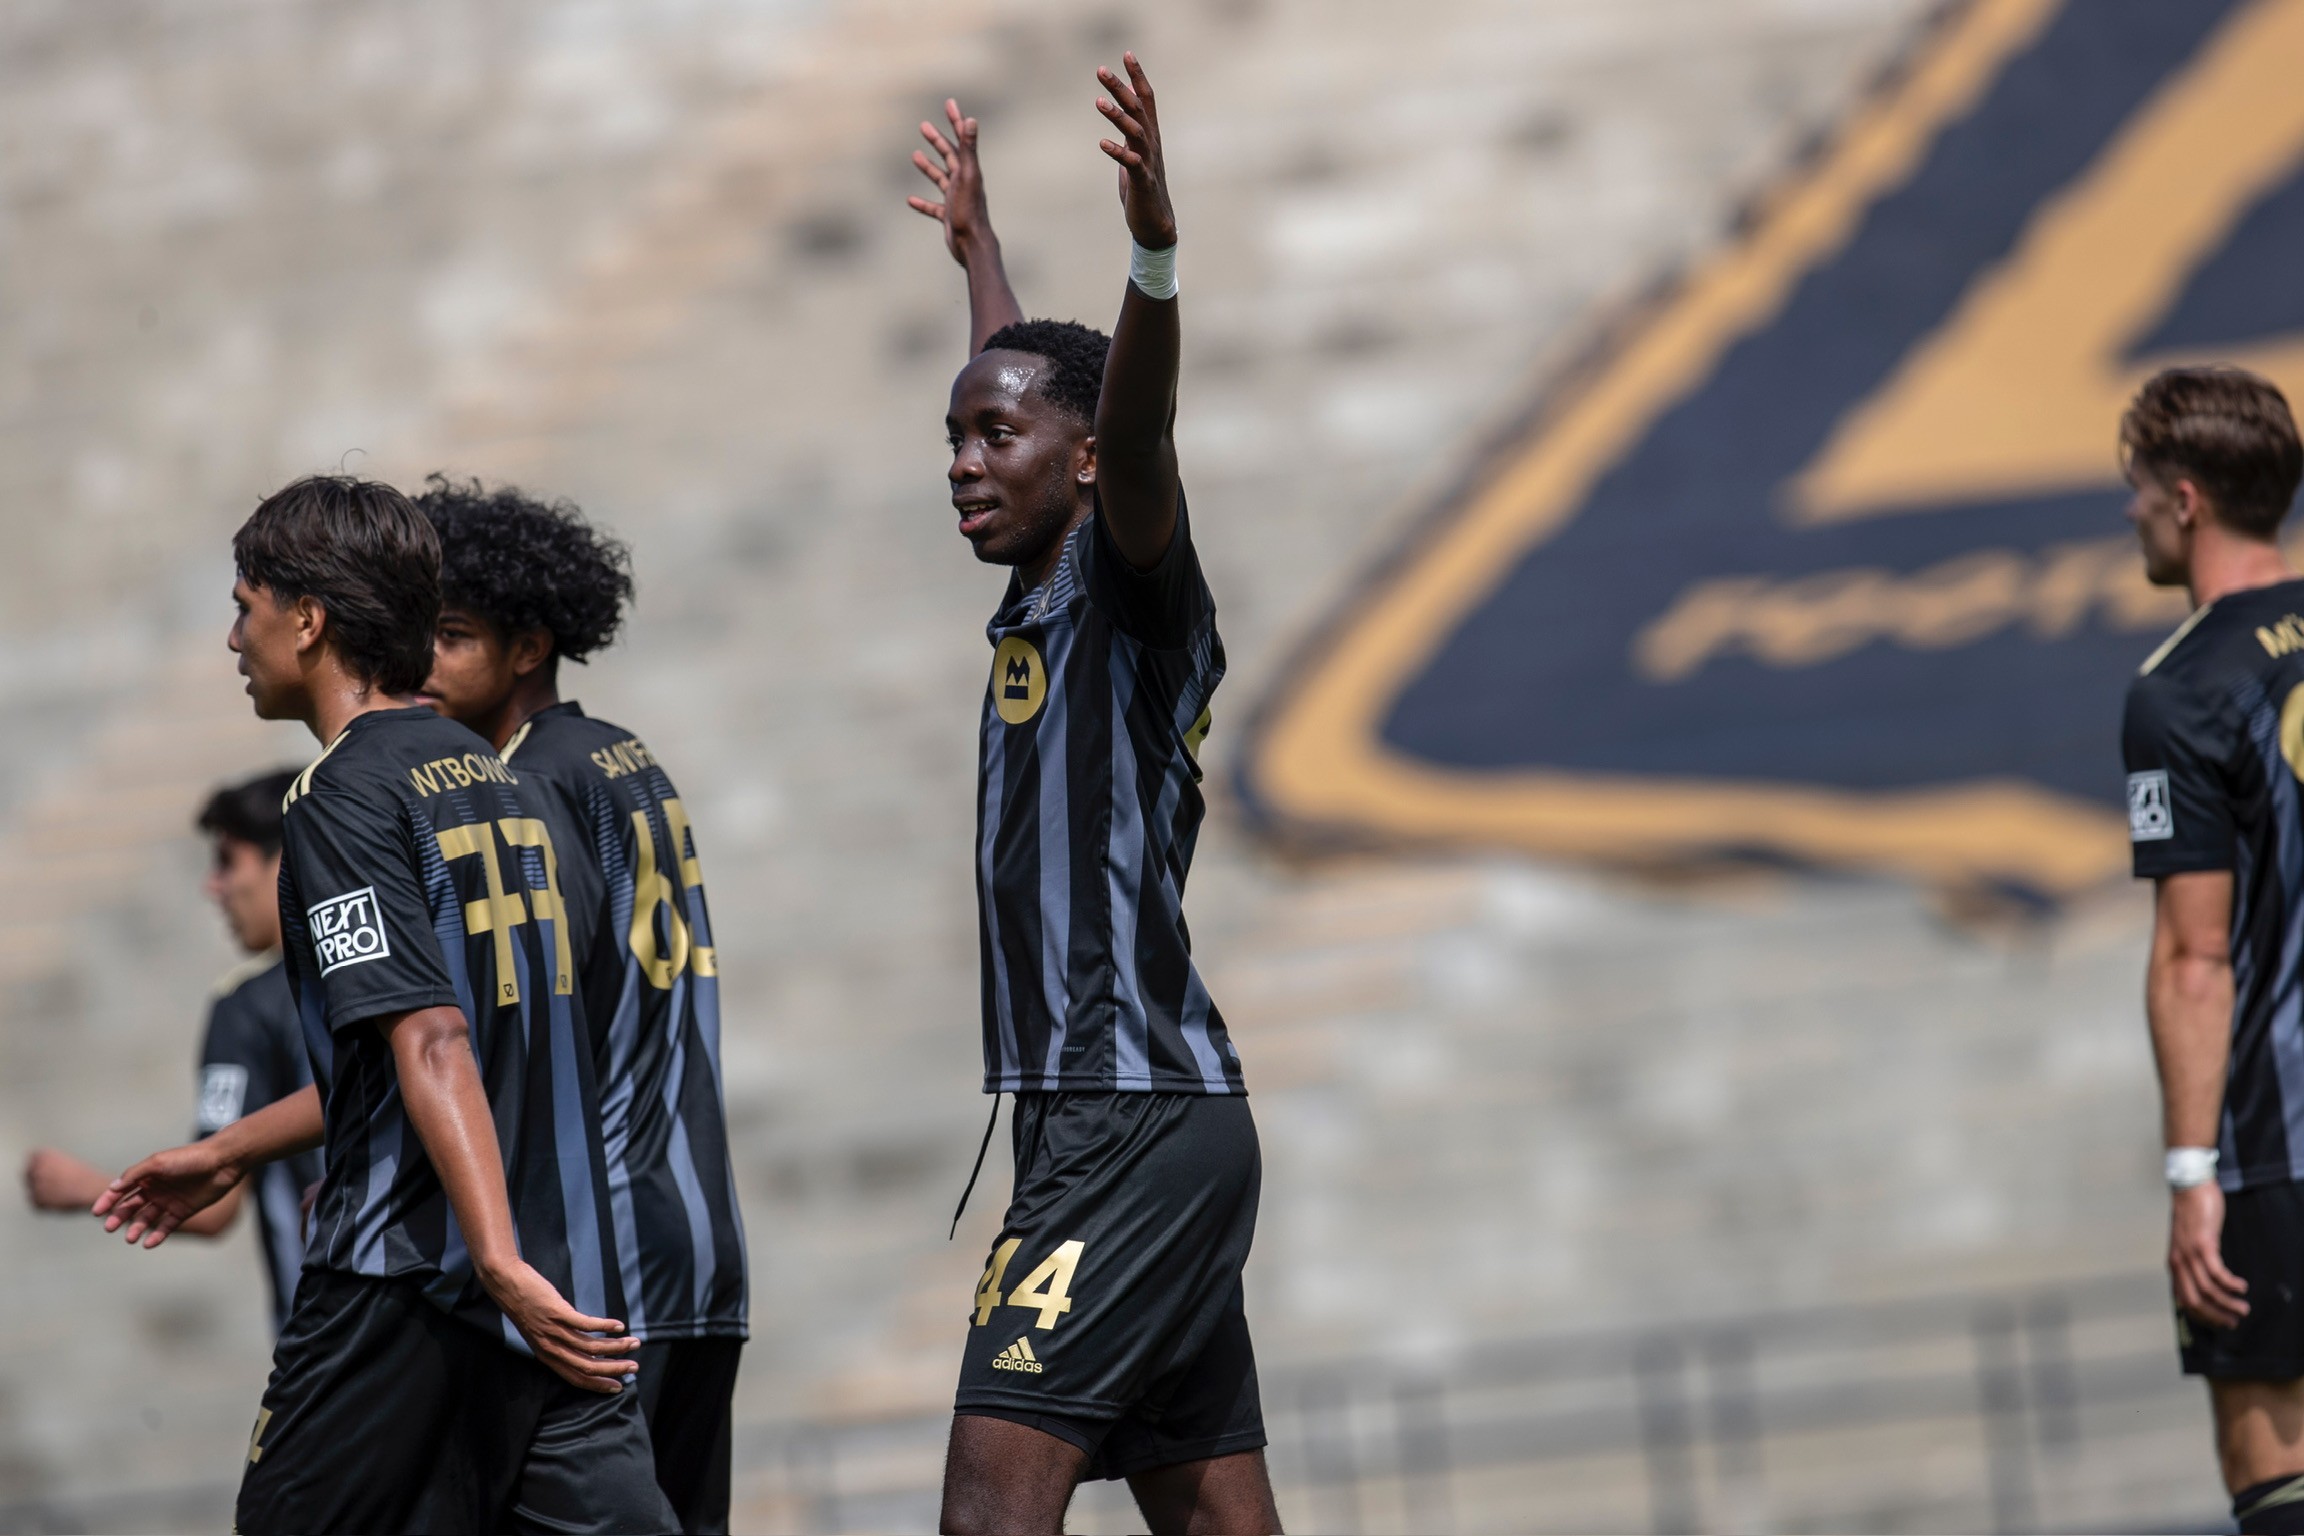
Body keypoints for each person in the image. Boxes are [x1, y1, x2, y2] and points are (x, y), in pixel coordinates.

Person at [94, 475, 675, 1535]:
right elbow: (452, 1048)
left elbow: (433, 1037)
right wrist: (233, 1151)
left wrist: (490, 1262)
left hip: (404, 1280)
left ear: (306, 621)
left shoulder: (340, 798)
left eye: (243, 608)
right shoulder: (513, 783)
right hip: (561, 1284)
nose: (234, 640)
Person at [907, 57, 1281, 1536]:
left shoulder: (1128, 585)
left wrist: (1152, 251)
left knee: (988, 1514)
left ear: (1078, 461)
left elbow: (1120, 428)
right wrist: (979, 251)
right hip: (1127, 1118)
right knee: (1213, 1519)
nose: (961, 464)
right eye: (950, 438)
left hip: (1124, 1115)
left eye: (991, 442)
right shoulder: (1045, 568)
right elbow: (1036, 381)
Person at [413, 475, 749, 1534]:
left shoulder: (529, 788)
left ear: (528, 646)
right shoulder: (624, 756)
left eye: (452, 637)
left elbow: (522, 1018)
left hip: (607, 1261)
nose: (420, 664)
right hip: (700, 1240)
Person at [2120, 366, 2304, 1536]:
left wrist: (2193, 1178)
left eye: (2134, 490)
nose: (2129, 513)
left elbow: (2196, 958)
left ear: (2185, 500)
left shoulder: (2183, 688)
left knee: (2275, 1466)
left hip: (2278, 1143)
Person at [22, 769, 321, 1333]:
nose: (214, 886)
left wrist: (85, 1186)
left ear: (284, 862)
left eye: (228, 861)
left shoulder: (250, 1007)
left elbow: (213, 1206)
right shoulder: (404, 971)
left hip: (332, 1348)